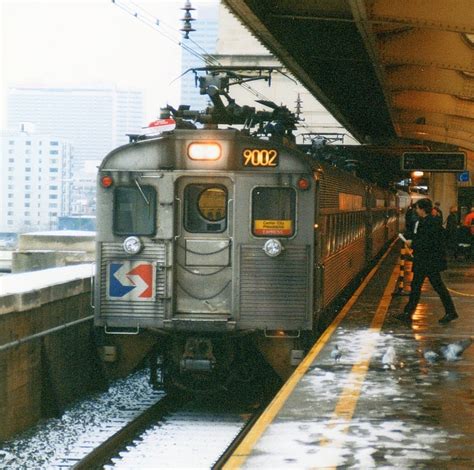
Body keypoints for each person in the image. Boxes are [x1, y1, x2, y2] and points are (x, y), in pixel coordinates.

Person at [394, 198, 458, 324]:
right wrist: (409, 238)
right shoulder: (426, 221)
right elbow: (420, 237)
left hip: (428, 261)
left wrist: (412, 243)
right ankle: (409, 312)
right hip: (425, 261)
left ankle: (451, 312)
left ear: (422, 209)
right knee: (419, 286)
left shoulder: (431, 222)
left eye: (417, 208)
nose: (416, 210)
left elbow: (427, 242)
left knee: (430, 287)